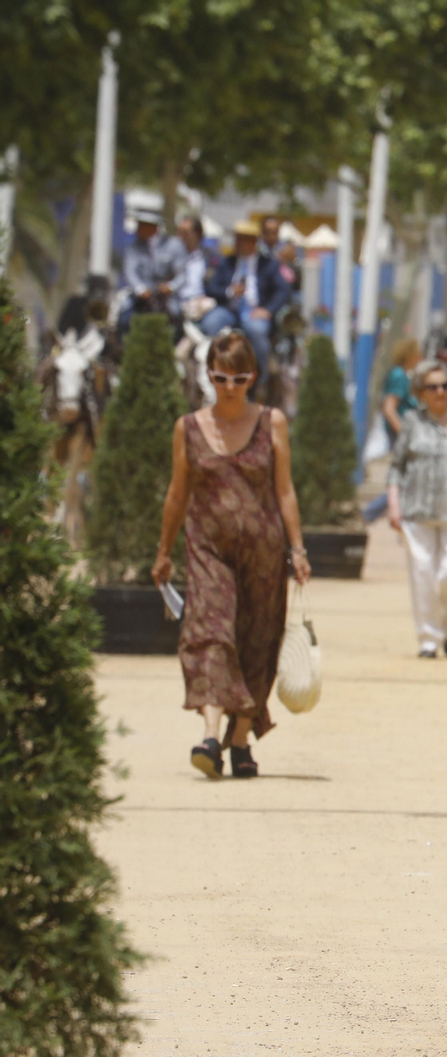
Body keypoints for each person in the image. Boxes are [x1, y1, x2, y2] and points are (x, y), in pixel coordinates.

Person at [152, 330, 311, 780]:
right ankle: (209, 733)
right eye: (221, 377)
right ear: (208, 375)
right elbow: (176, 493)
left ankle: (240, 739)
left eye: (239, 378)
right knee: (211, 632)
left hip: (264, 550)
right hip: (207, 549)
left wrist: (297, 549)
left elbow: (285, 490)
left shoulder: (272, 422)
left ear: (252, 378)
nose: (229, 387)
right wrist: (164, 551)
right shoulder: (188, 428)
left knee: (258, 641)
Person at [388, 359, 447, 658]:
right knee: (423, 575)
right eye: (433, 387)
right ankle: (429, 638)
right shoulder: (412, 421)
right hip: (417, 511)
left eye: (445, 386)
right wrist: (393, 503)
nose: (440, 392)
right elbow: (397, 466)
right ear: (421, 392)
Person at [201, 220, 287, 363]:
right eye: (238, 238)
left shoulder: (268, 264)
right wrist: (229, 291)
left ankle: (261, 378)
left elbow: (283, 290)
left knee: (257, 331)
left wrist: (268, 310)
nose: (239, 243)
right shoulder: (227, 262)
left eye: (244, 239)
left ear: (253, 242)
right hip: (230, 309)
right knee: (210, 323)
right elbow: (212, 287)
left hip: (254, 312)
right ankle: (218, 368)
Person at [120, 208, 183, 330]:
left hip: (166, 297)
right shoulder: (134, 248)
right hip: (140, 296)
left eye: (142, 225)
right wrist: (140, 289)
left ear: (153, 227)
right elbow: (130, 272)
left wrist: (170, 287)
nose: (138, 228)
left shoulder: (173, 245)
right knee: (124, 315)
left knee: (176, 315)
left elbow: (182, 273)